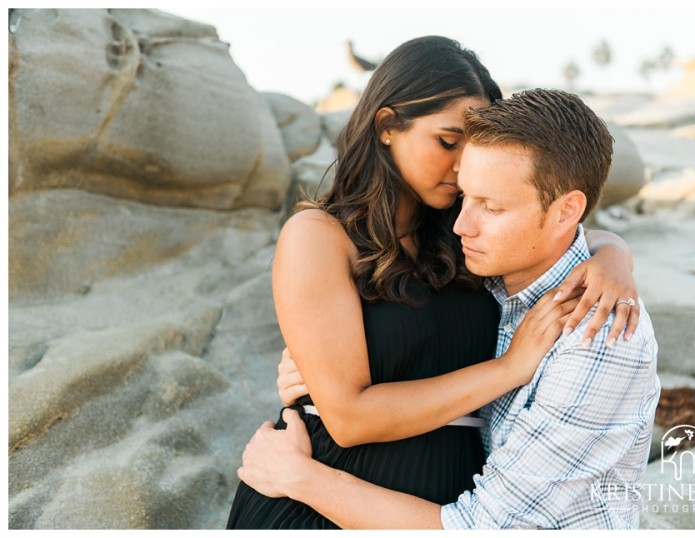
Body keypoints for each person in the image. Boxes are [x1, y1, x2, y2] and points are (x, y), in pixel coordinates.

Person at [227, 36, 641, 530]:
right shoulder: (319, 236)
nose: (461, 164)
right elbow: (350, 418)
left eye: (473, 148)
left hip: (446, 503)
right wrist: (510, 368)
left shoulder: (463, 234)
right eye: (448, 141)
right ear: (387, 127)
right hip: (322, 492)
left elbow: (557, 226)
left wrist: (613, 256)